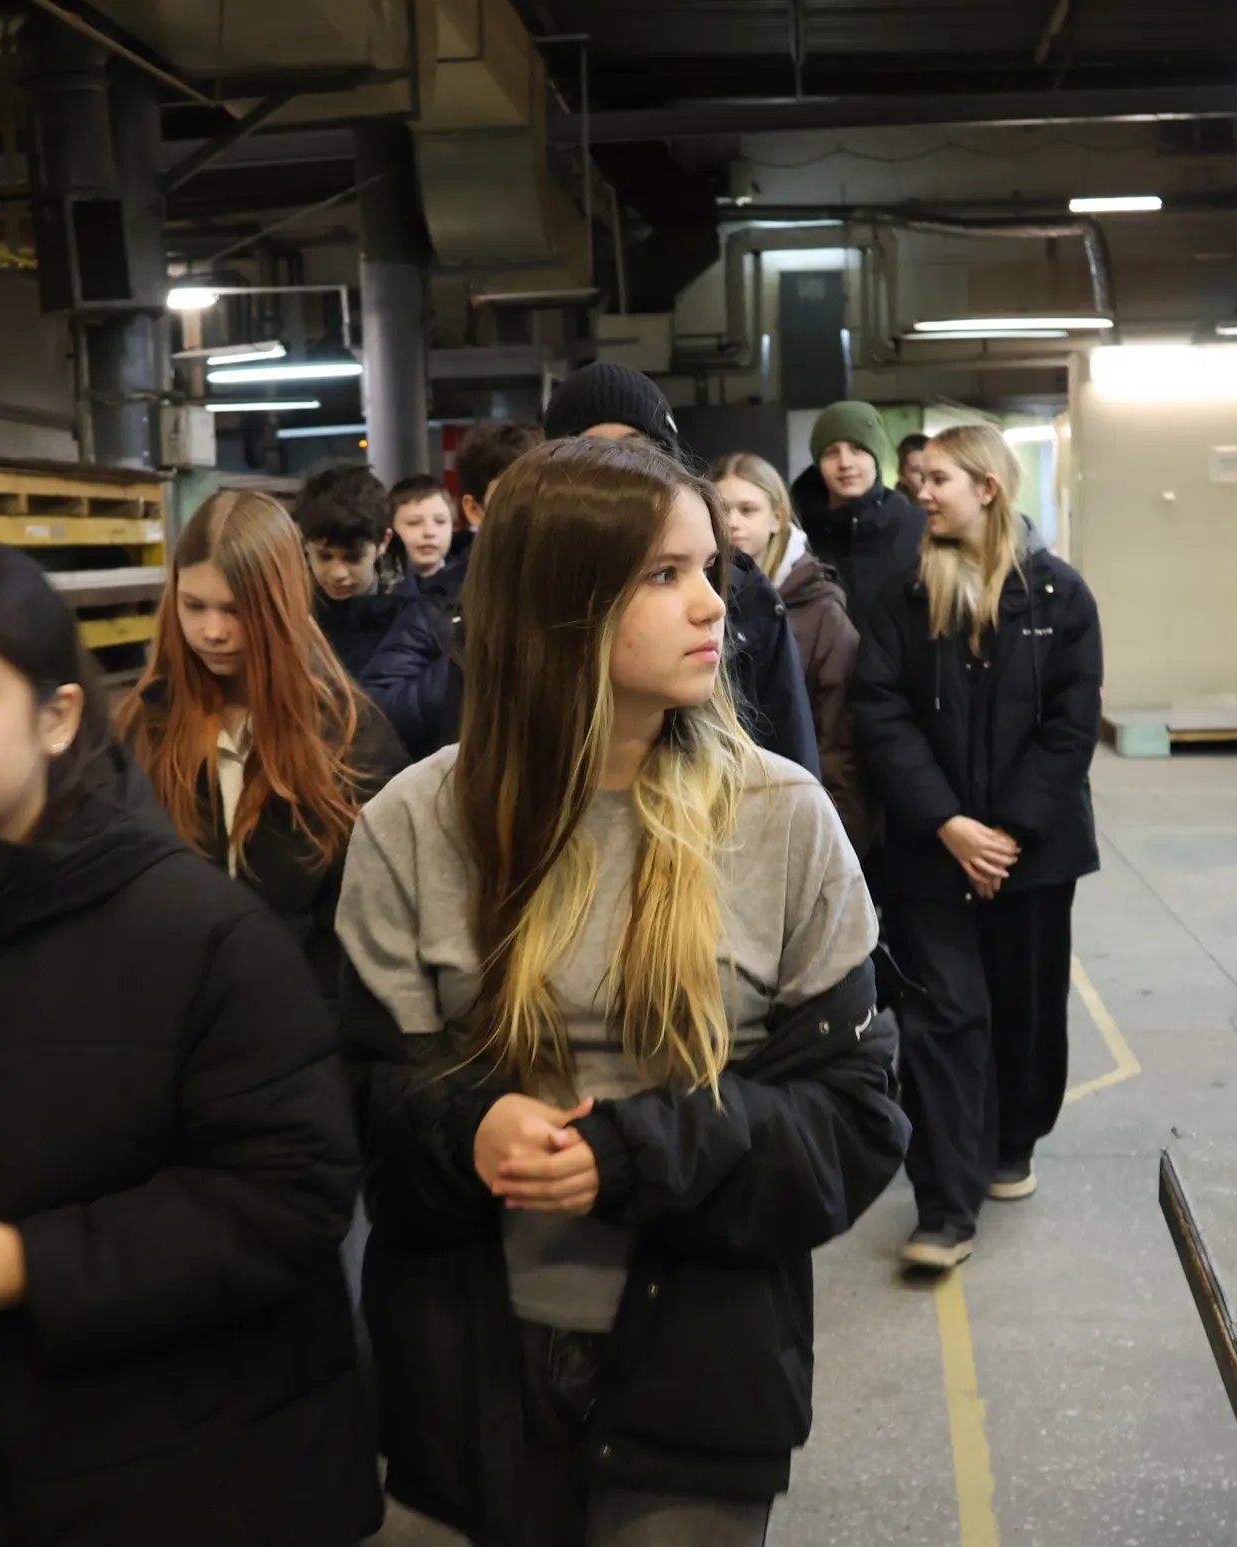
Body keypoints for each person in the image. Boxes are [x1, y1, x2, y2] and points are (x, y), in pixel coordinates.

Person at [337, 436, 908, 1547]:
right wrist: (465, 1126)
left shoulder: (783, 820)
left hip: (700, 1380)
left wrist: (636, 1150)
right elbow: (357, 1094)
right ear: (554, 606)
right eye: (663, 573)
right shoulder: (411, 824)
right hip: (464, 1381)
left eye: (709, 568)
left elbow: (853, 1121)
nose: (712, 603)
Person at [0, 535, 378, 1547]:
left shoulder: (198, 936)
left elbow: (290, 1192)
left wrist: (36, 1264)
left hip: (199, 1481)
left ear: (55, 715)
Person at [853, 423, 1103, 1271]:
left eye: (938, 479)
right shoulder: (901, 598)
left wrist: (1009, 832)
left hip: (1033, 855)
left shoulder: (1060, 597)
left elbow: (1071, 726)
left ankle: (1011, 1140)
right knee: (943, 1020)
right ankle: (944, 1207)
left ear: (987, 488)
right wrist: (949, 824)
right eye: (918, 479)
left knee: (1025, 1014)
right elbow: (881, 715)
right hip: (931, 853)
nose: (919, 492)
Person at [119, 490, 403, 1000]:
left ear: (281, 606)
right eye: (194, 605)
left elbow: (371, 923)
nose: (212, 631)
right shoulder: (143, 725)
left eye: (236, 610)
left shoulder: (349, 738)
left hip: (305, 1019)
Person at [541, 360, 822, 776]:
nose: (710, 608)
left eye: (636, 448)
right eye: (593, 451)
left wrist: (790, 802)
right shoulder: (524, 590)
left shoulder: (745, 592)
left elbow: (790, 745)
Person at [715, 449, 869, 853]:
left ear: (778, 519)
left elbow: (839, 742)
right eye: (721, 510)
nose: (733, 522)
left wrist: (834, 840)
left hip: (797, 812)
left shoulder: (821, 610)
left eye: (748, 510)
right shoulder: (699, 601)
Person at [360, 424, 542, 761]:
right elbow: (377, 708)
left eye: (543, 495)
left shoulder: (586, 587)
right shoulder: (439, 606)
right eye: (511, 498)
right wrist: (474, 658)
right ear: (474, 509)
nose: (531, 512)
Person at [792, 400, 926, 630]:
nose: (845, 463)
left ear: (876, 457)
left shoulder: (916, 526)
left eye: (858, 449)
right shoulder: (798, 534)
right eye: (831, 453)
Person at [295, 462, 412, 678]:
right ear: (305, 545)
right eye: (324, 556)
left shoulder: (415, 621)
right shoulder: (292, 617)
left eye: (353, 558)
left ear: (384, 542)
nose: (337, 574)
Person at [388, 473, 465, 607]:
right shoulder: (379, 591)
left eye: (440, 521)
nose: (429, 532)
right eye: (414, 523)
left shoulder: (469, 586)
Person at [895, 431, 930, 499]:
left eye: (931, 469)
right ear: (902, 476)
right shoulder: (892, 504)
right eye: (916, 470)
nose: (925, 477)